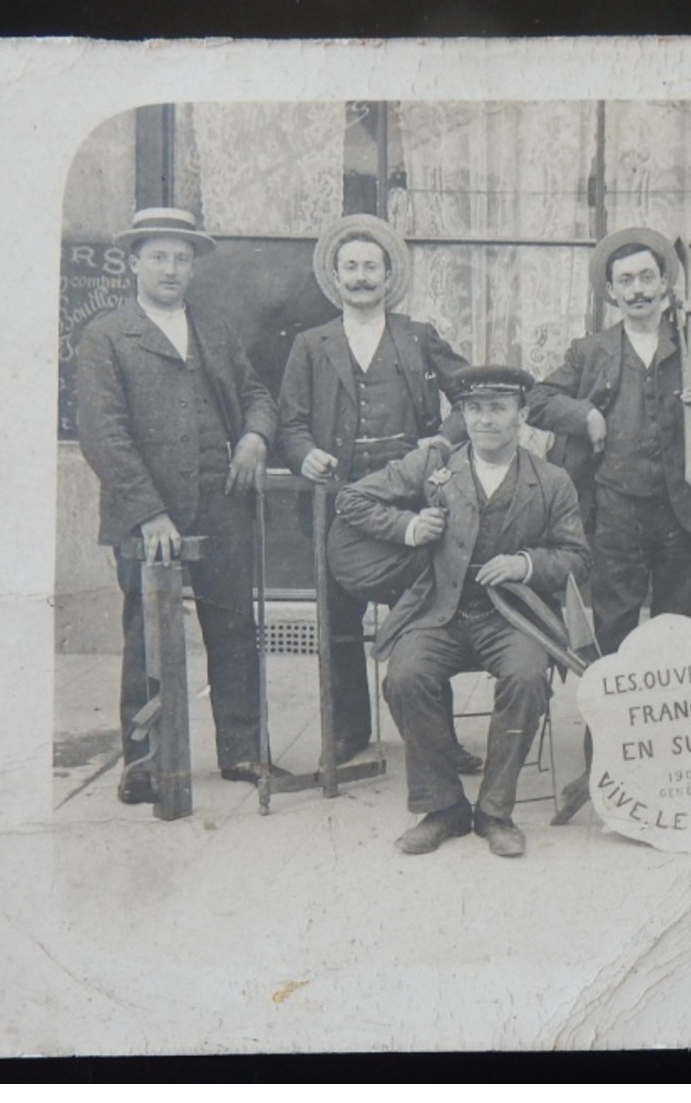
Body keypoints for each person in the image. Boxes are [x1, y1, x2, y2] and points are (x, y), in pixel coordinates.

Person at [337, 366, 590, 858]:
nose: (485, 420)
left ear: (523, 415)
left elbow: (578, 558)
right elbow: (353, 499)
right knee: (405, 676)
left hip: (512, 617)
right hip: (440, 611)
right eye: (474, 409)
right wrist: (409, 525)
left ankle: (495, 812)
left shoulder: (552, 481)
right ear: (463, 414)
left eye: (498, 408)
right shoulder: (434, 466)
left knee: (527, 677)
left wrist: (524, 564)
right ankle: (443, 808)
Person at [76, 208, 276, 804]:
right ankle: (144, 761)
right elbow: (103, 434)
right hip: (148, 514)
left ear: (194, 267)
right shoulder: (106, 335)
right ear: (133, 262)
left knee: (235, 628)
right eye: (158, 256)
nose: (171, 269)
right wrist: (148, 512)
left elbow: (256, 392)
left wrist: (254, 436)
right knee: (147, 638)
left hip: (222, 503)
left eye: (182, 258)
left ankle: (241, 750)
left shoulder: (213, 329)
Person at [276, 214, 476, 768]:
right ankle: (349, 733)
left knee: (429, 617)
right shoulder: (311, 345)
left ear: (388, 276)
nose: (361, 277)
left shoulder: (417, 337)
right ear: (334, 277)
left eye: (371, 267)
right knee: (339, 620)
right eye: (351, 268)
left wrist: (442, 440)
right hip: (336, 502)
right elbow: (290, 421)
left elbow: (471, 396)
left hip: (412, 500)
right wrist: (303, 452)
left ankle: (437, 739)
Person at [526, 227, 691, 654]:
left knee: (679, 632)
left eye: (646, 277)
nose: (637, 290)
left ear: (664, 283)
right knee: (614, 626)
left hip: (683, 510)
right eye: (626, 280)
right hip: (615, 512)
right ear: (610, 290)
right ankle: (606, 722)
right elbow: (538, 401)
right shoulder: (591, 351)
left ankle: (670, 720)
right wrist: (585, 413)